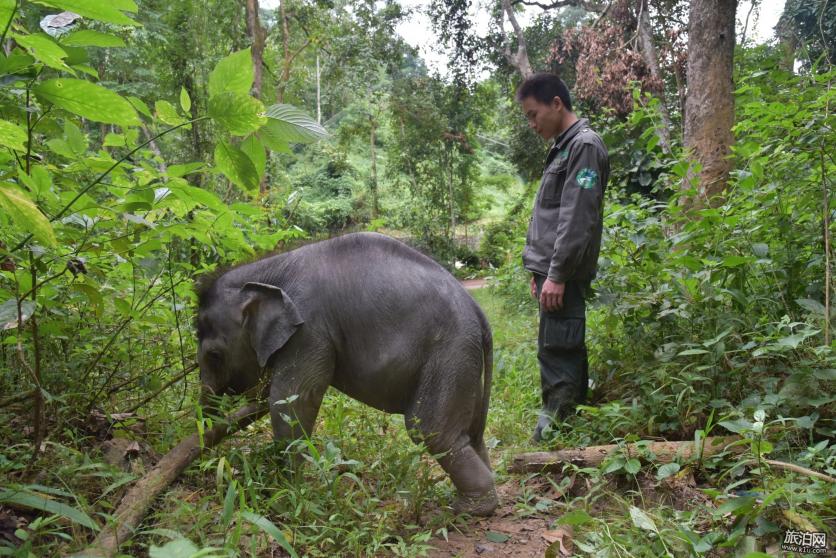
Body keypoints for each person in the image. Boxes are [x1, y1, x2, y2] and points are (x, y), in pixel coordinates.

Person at [516, 73, 609, 442]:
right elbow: (554, 217)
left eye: (533, 114)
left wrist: (556, 275)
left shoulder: (583, 146)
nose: (532, 123)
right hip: (552, 273)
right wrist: (540, 271)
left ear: (557, 104)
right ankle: (565, 427)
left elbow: (576, 219)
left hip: (562, 277)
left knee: (560, 351)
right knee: (557, 349)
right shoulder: (563, 147)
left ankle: (556, 436)